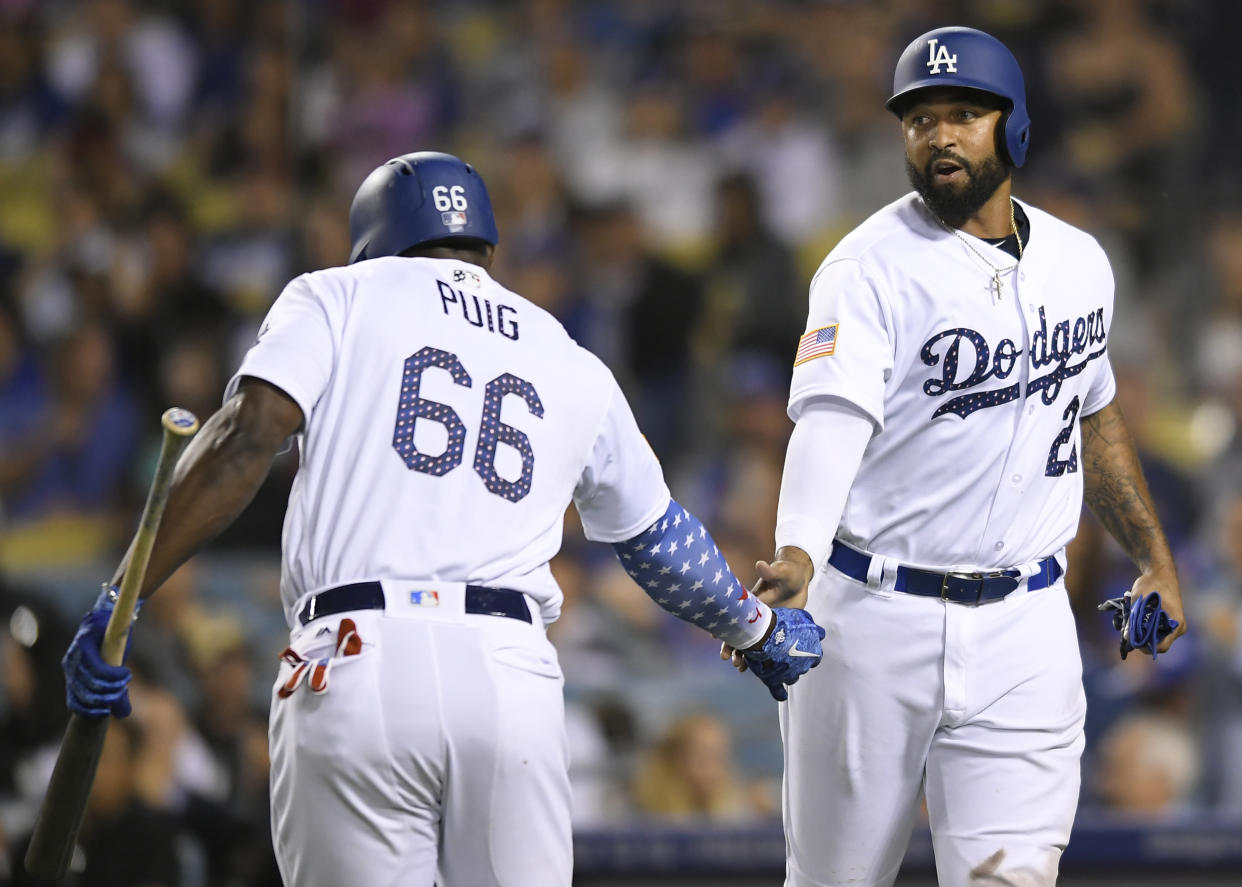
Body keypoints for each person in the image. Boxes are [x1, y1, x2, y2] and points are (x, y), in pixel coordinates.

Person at [57, 151, 825, 887]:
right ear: (485, 243)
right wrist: (753, 628)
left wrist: (121, 595)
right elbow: (658, 537)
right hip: (510, 673)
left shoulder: (337, 295)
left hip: (357, 661)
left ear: (374, 240)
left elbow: (246, 436)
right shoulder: (566, 351)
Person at [724, 26, 1188, 887]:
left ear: (1012, 127)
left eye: (963, 114)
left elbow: (1097, 414)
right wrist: (797, 552)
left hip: (1027, 625)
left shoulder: (1080, 262)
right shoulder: (864, 267)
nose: (938, 135)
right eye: (920, 119)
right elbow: (829, 422)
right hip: (872, 618)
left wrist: (1152, 557)